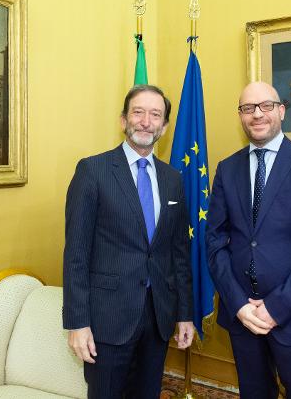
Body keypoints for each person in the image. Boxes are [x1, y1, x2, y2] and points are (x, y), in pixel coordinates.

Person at [206, 82, 291, 399]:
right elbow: (215, 242)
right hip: (243, 319)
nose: (257, 114)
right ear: (240, 115)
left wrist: (276, 307)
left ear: (281, 111)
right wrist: (238, 304)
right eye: (248, 108)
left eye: (266, 106)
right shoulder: (227, 169)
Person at [63, 84, 195, 399]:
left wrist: (184, 313)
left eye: (155, 115)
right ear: (123, 120)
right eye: (138, 112)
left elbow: (179, 254)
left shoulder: (172, 179)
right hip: (108, 319)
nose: (146, 122)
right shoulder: (92, 171)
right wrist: (77, 323)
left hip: (157, 317)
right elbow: (76, 255)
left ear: (164, 126)